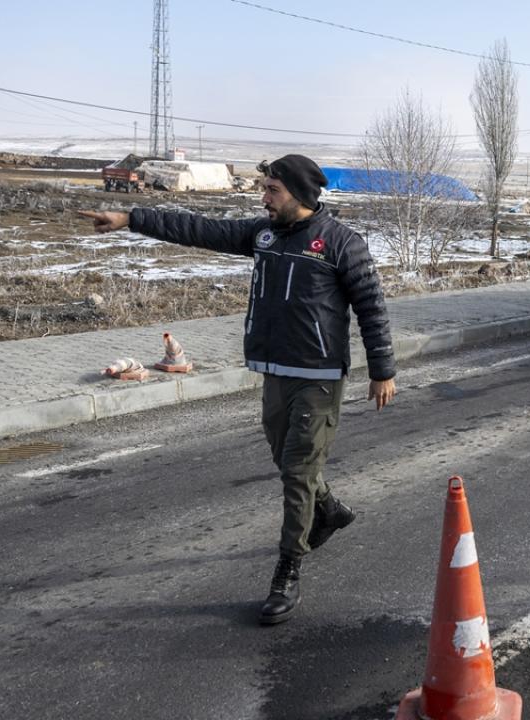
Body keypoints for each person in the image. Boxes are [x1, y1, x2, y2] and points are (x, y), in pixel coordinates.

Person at [79, 154, 397, 625]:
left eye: (273, 191)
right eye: (264, 189)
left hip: (319, 377)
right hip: (275, 371)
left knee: (296, 472)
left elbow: (372, 307)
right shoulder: (263, 236)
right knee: (288, 462)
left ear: (301, 195)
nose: (264, 199)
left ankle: (287, 570)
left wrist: (382, 369)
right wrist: (130, 218)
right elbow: (199, 229)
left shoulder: (340, 244)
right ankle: (326, 509)